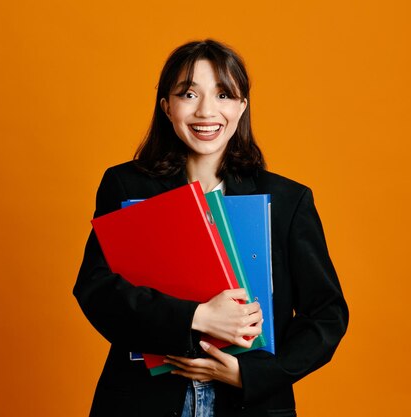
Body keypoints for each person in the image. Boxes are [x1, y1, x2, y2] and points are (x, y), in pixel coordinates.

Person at [74, 39, 349, 417]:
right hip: (142, 399)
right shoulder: (126, 186)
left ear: (241, 107)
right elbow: (96, 289)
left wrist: (250, 374)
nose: (206, 111)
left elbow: (327, 315)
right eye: (189, 93)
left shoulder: (287, 201)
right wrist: (197, 316)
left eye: (223, 94)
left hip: (248, 404)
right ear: (167, 107)